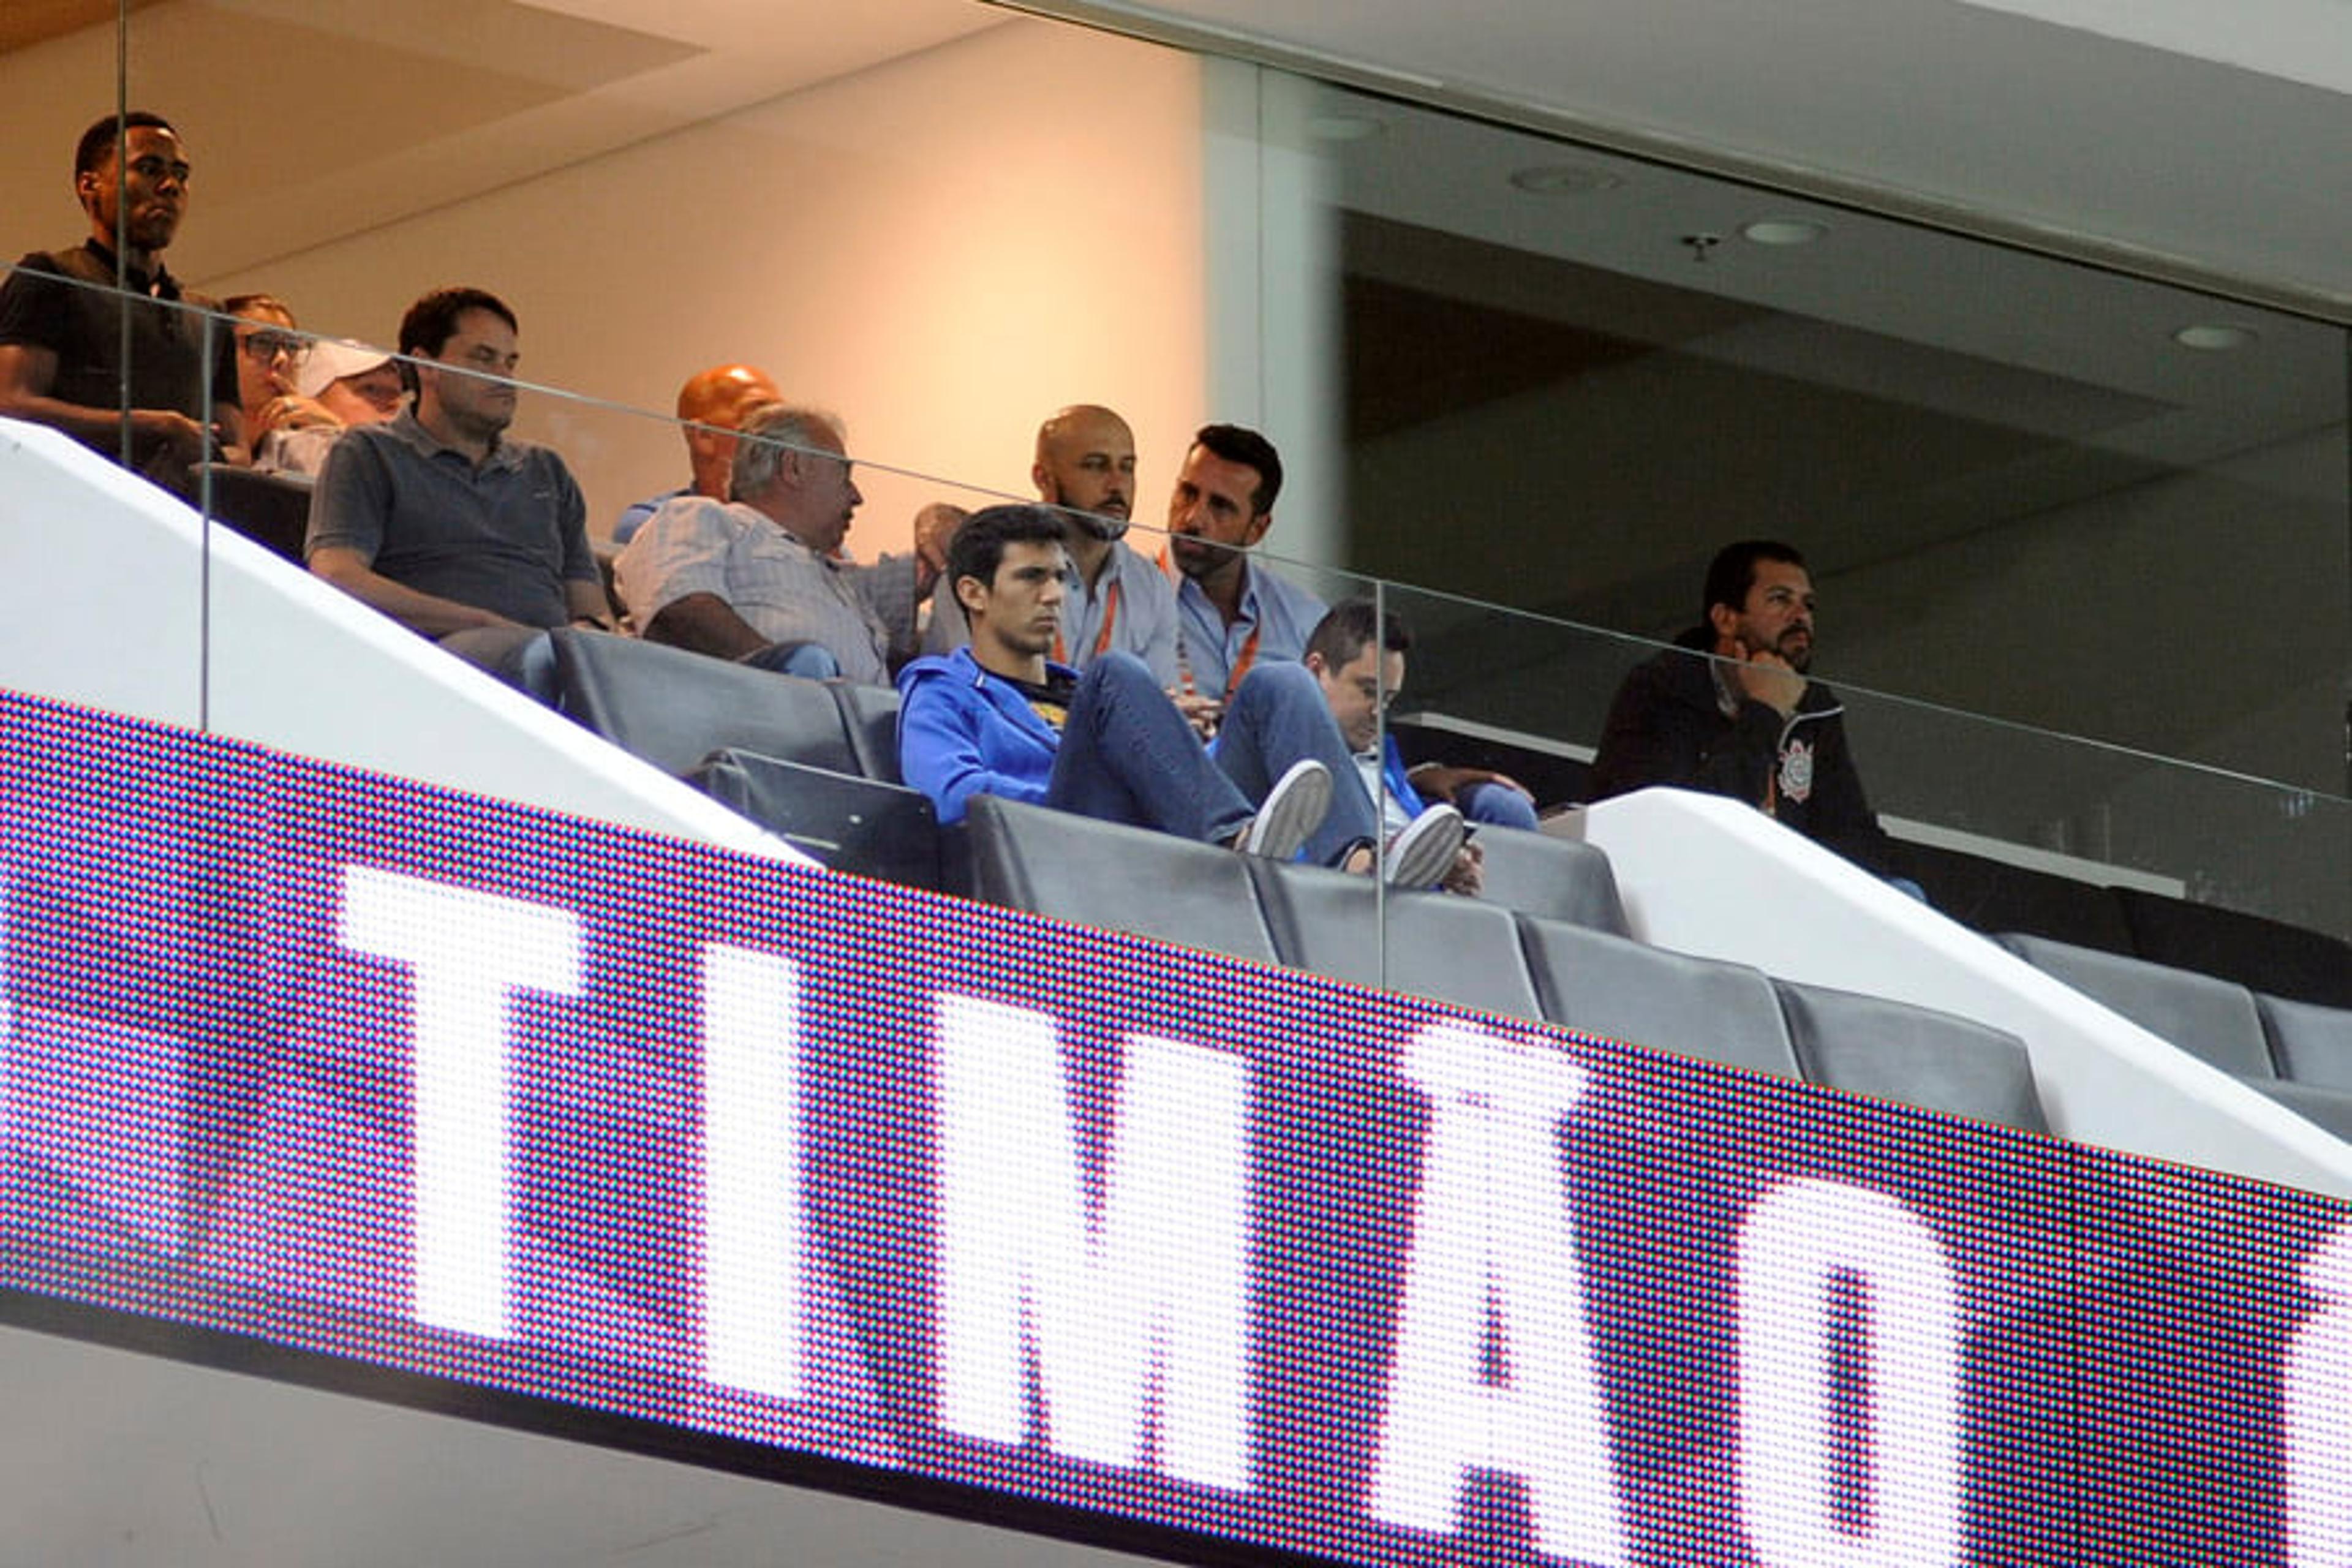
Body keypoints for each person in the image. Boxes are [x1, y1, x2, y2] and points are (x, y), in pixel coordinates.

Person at [899, 505, 1464, 886]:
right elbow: (951, 797)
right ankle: (1236, 834)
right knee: (1117, 673)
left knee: (1281, 683)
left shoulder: (1078, 689)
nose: (1054, 595)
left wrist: (1157, 757)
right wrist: (1105, 770)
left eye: (1059, 578)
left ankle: (1364, 860)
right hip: (1065, 841)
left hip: (1159, 831)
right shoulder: (940, 690)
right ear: (973, 592)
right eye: (1031, 578)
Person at [306, 286, 612, 695]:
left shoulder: (546, 470)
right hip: (438, 661)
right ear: (424, 365)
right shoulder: (369, 453)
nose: (505, 379)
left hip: (553, 659)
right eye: (483, 359)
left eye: (510, 363)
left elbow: (590, 607)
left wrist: (589, 638)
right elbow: (337, 575)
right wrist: (481, 622)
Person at [1589, 539, 1900, 877]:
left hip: (1782, 894)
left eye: (1808, 605)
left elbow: (1855, 835)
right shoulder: (1665, 687)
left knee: (1905, 893)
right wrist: (1765, 712)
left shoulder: (1816, 709)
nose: (1801, 617)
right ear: (1726, 619)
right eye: (1780, 599)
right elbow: (1675, 826)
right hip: (1679, 882)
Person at [0, 111, 243, 494]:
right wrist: (155, 426)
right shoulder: (50, 278)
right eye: (148, 169)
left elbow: (237, 448)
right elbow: (11, 404)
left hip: (180, 526)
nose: (170, 186)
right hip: (69, 506)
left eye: (181, 175)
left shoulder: (209, 317)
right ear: (90, 185)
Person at [614, 402, 925, 684]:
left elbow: (939, 561)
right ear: (794, 467)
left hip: (854, 735)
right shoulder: (704, 518)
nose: (857, 497)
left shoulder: (842, 578)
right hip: (756, 726)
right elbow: (679, 611)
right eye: (844, 475)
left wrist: (937, 519)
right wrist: (790, 681)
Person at [923, 404, 1182, 687]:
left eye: (1127, 467)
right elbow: (969, 693)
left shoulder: (1151, 586)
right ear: (1043, 478)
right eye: (1095, 465)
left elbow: (1158, 701)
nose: (1116, 485)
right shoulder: (984, 562)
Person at [1305, 598, 1542, 859]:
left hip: (1419, 876)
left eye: (1388, 699)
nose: (1377, 712)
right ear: (1317, 671)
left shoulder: (1387, 764)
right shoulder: (1284, 748)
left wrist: (1415, 780)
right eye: (1369, 691)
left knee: (1505, 807)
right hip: (1356, 875)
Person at [1166, 424, 1328, 715]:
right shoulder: (1126, 594)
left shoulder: (1307, 621)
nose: (1193, 518)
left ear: (1257, 529)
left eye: (1220, 506)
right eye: (1188, 493)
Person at [612, 363, 782, 545]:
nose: (780, 434)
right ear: (704, 436)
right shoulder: (655, 526)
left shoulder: (800, 526)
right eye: (759, 418)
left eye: (783, 419)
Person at [254, 338, 404, 478]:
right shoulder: (290, 451)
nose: (394, 404)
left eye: (397, 392)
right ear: (311, 401)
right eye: (371, 389)